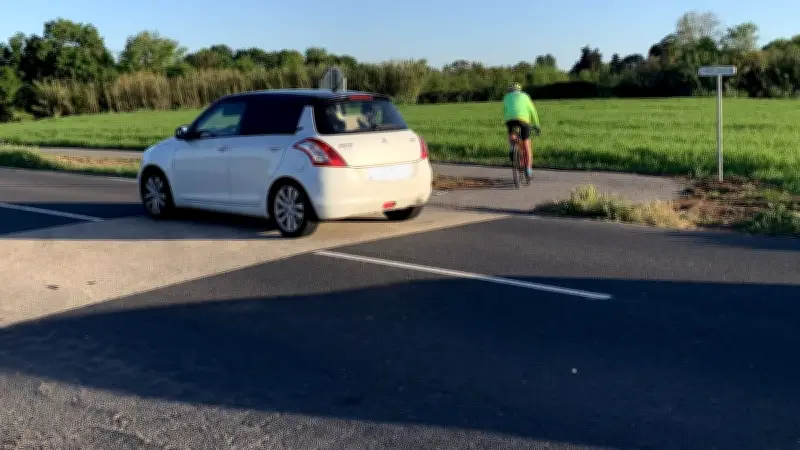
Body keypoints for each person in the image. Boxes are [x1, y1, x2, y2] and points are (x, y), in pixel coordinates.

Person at [502, 82, 541, 177]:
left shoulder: (506, 97)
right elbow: (532, 111)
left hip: (510, 120)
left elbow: (505, 110)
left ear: (510, 90)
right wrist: (537, 125)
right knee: (527, 145)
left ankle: (512, 147)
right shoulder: (525, 96)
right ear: (519, 90)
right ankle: (528, 169)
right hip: (523, 120)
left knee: (512, 134)